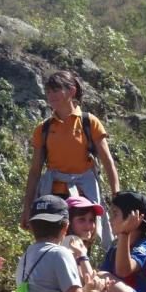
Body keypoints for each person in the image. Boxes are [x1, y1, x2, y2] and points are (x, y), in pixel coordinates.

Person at [21, 70, 120, 247]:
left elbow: (108, 163)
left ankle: (82, 275)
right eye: (49, 91)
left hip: (84, 195)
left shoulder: (89, 122)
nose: (51, 96)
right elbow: (35, 171)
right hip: (54, 195)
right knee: (54, 244)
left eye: (56, 90)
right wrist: (27, 207)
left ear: (72, 91)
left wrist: (117, 199)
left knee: (81, 245)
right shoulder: (43, 128)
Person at [63, 194, 104, 280]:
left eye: (91, 220)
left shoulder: (66, 241)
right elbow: (88, 280)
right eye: (82, 219)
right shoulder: (72, 241)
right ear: (68, 222)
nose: (88, 225)